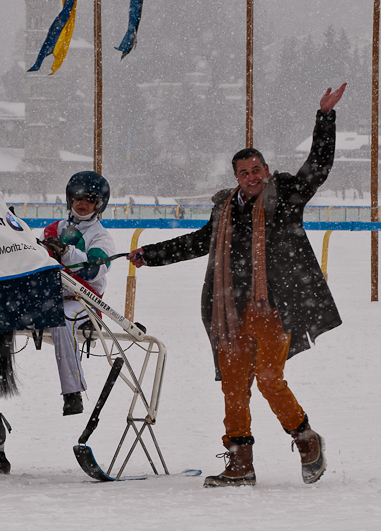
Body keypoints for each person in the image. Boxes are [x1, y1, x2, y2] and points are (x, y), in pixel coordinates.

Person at [128, 84, 347, 487]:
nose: (251, 178)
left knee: (268, 379)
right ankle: (240, 463)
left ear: (266, 170)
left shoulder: (286, 199)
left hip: (272, 309)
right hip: (229, 310)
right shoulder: (224, 210)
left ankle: (305, 437)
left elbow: (319, 165)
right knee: (233, 387)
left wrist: (325, 118)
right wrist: (150, 254)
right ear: (236, 177)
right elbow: (197, 242)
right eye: (243, 173)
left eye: (256, 170)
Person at [41, 171, 116, 415]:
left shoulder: (102, 237)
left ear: (99, 204)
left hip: (82, 301)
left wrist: (66, 252)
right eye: (77, 198)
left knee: (60, 319)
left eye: (90, 199)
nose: (82, 204)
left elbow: (95, 271)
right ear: (69, 199)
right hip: (48, 297)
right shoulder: (53, 229)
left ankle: (72, 392)